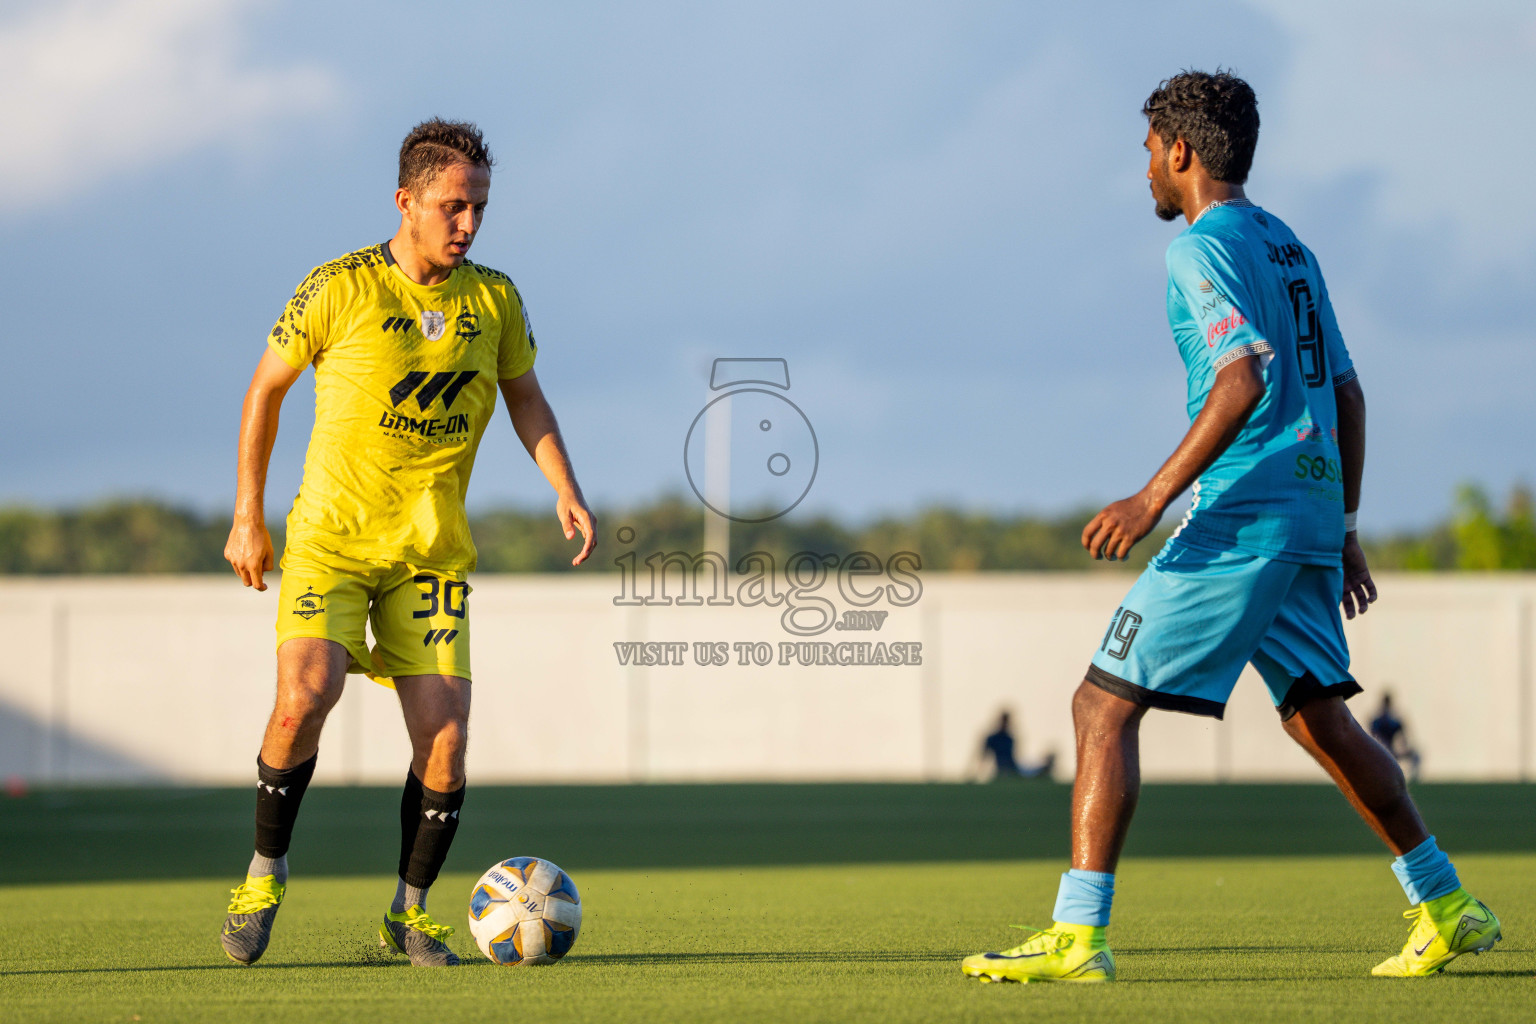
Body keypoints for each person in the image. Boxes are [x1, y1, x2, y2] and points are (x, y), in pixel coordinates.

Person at [960, 71, 1499, 984]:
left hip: (1243, 516)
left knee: (1100, 705)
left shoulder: (1198, 251)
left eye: (1148, 157)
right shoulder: (1291, 247)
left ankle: (1078, 935)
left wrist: (1150, 498)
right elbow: (1351, 394)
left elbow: (1241, 376)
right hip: (1312, 510)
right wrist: (1349, 527)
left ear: (1181, 152)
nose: (1145, 177)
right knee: (1321, 718)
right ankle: (1446, 903)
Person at [219, 119, 596, 967]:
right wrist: (249, 514)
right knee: (303, 697)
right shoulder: (338, 286)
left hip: (430, 553)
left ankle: (409, 911)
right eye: (451, 206)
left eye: (479, 208)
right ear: (406, 202)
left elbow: (525, 397)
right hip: (333, 544)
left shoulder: (494, 299)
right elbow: (265, 390)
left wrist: (564, 487)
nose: (467, 223)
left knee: (447, 737)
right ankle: (264, 873)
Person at [975, 710, 1056, 780]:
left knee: (1031, 771)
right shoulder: (993, 738)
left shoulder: (1010, 739)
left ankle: (1045, 767)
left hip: (1013, 768)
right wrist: (977, 773)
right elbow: (983, 757)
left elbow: (1015, 757)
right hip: (1003, 770)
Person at [1370, 692, 1422, 782]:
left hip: (1393, 752)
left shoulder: (1394, 720)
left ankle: (1412, 781)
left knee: (1415, 756)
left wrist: (1403, 747)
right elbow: (1373, 737)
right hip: (1379, 752)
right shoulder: (1377, 721)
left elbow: (1403, 737)